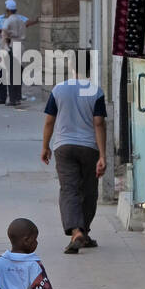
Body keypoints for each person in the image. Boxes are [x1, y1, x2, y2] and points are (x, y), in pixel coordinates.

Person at [41, 66, 107, 253]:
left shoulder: (58, 89)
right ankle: (83, 231)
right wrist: (102, 155)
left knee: (69, 189)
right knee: (88, 191)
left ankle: (77, 231)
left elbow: (49, 121)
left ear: (71, 68)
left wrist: (45, 146)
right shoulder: (96, 92)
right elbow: (99, 123)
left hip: (63, 147)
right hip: (89, 148)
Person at [0, 0, 38, 107]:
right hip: (18, 47)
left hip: (9, 47)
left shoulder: (9, 20)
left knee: (11, 74)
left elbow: (4, 34)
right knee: (14, 73)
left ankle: (13, 99)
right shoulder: (20, 19)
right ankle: (14, 98)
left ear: (7, 10)